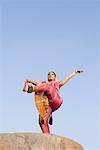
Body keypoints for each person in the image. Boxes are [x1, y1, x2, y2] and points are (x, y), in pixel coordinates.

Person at [23, 70, 83, 134]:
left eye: (52, 74)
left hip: (56, 100)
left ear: (55, 77)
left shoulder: (56, 84)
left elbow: (66, 79)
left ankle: (30, 89)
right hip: (49, 105)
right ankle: (47, 136)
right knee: (42, 120)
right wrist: (29, 80)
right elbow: (37, 84)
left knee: (48, 87)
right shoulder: (44, 84)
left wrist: (75, 73)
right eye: (48, 74)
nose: (50, 75)